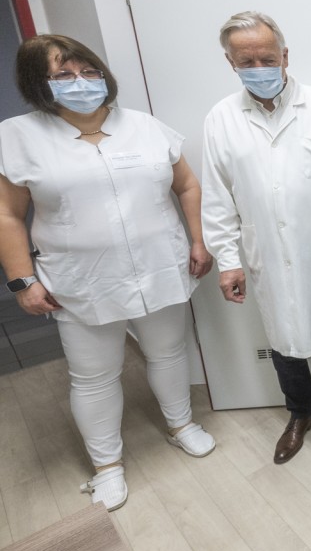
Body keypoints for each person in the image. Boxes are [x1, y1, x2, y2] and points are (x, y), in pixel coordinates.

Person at [0, 35, 217, 511]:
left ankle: (181, 424)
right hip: (81, 279)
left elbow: (187, 185)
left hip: (161, 265)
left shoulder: (144, 127)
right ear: (38, 84)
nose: (80, 82)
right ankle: (107, 466)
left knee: (168, 352)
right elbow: (8, 215)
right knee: (94, 376)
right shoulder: (18, 137)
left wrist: (198, 241)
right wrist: (22, 280)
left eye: (89, 71)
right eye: (63, 75)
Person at [202, 11, 311, 464]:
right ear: (231, 63)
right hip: (268, 253)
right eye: (247, 61)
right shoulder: (221, 119)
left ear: (285, 55)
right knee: (282, 340)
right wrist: (228, 261)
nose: (259, 68)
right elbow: (217, 199)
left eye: (267, 57)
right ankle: (301, 413)